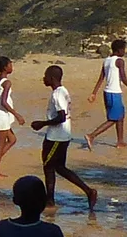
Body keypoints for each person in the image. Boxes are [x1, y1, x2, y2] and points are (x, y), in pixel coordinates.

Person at [31, 65, 97, 213]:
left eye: (46, 76)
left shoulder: (57, 94)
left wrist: (42, 123)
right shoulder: (63, 91)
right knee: (59, 167)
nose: (44, 78)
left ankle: (51, 200)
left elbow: (61, 117)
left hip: (56, 137)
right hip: (64, 135)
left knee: (49, 167)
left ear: (52, 78)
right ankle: (85, 192)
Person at [84, 37, 127, 148]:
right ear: (118, 50)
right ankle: (92, 136)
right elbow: (124, 79)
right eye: (123, 49)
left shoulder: (107, 60)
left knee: (120, 116)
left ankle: (120, 141)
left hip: (107, 93)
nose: (124, 52)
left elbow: (101, 78)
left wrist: (94, 93)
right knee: (113, 119)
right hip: (114, 93)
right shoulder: (119, 61)